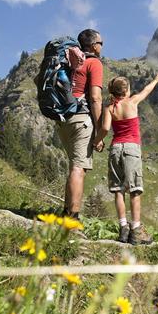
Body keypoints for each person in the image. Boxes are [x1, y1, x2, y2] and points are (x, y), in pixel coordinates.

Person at [93, 73, 158, 244]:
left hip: (116, 148)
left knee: (118, 189)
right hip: (131, 149)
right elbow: (146, 91)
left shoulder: (109, 108)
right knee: (135, 190)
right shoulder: (132, 102)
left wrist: (97, 141)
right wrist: (155, 80)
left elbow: (104, 128)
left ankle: (123, 227)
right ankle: (136, 230)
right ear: (126, 91)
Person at [58, 29, 103, 220]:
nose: (102, 46)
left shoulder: (69, 62)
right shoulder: (94, 63)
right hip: (81, 119)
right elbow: (95, 98)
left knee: (73, 166)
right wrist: (100, 130)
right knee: (78, 169)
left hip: (63, 119)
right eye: (101, 43)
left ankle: (66, 212)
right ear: (93, 45)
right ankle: (72, 218)